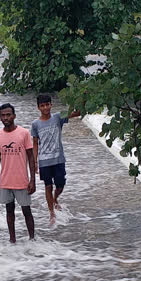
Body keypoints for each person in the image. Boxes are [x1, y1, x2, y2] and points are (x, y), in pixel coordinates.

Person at [0, 103, 36, 243]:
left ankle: (32, 240)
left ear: (14, 116)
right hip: (6, 181)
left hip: (22, 181)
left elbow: (31, 157)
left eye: (8, 115)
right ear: (0, 117)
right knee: (9, 210)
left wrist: (32, 180)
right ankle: (12, 240)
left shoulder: (24, 133)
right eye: (3, 115)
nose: (6, 118)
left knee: (27, 211)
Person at [31, 93, 81, 224]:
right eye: (42, 105)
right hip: (44, 161)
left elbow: (77, 113)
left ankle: (55, 198)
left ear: (51, 105)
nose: (45, 108)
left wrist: (82, 97)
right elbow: (35, 143)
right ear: (38, 108)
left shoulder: (58, 117)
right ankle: (51, 212)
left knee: (60, 184)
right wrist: (34, 161)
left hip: (58, 159)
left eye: (47, 104)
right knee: (48, 186)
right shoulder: (35, 124)